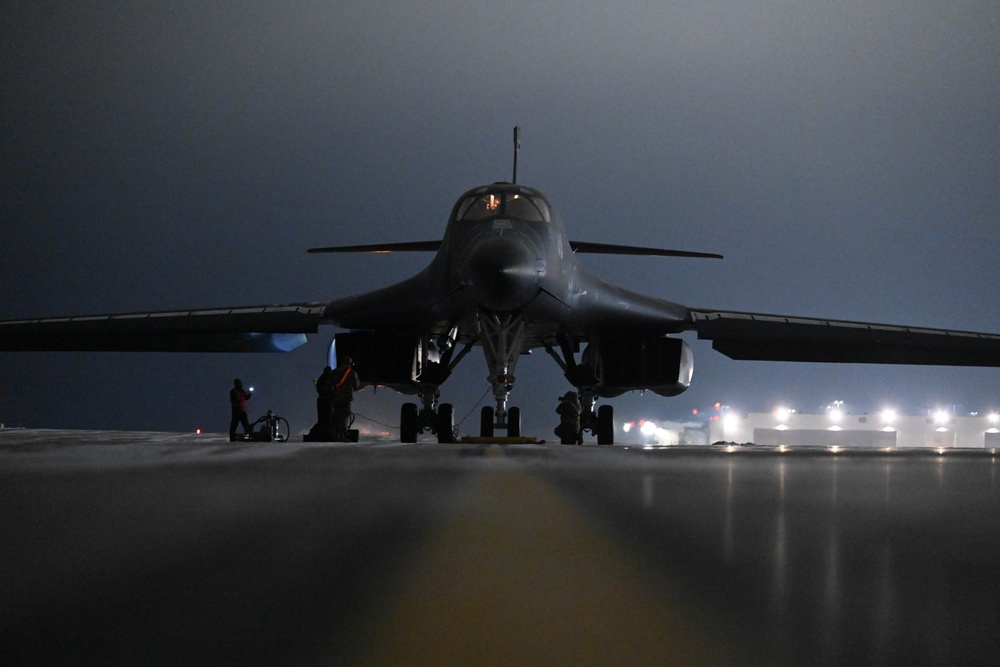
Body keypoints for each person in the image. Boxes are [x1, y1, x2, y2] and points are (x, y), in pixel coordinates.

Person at [330, 356, 361, 441]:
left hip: (336, 397)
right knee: (343, 416)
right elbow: (356, 386)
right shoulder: (352, 373)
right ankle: (341, 436)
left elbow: (329, 384)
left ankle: (334, 435)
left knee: (336, 415)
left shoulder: (334, 372)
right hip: (346, 398)